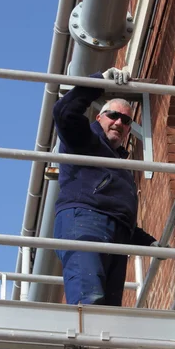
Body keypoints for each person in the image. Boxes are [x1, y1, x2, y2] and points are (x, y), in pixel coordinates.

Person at [53, 67, 157, 306]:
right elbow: (63, 112)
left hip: (117, 234)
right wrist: (99, 81)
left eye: (126, 120)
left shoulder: (120, 164)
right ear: (99, 117)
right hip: (85, 220)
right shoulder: (83, 140)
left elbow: (117, 210)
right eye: (113, 115)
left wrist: (148, 242)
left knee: (109, 312)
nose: (119, 122)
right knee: (89, 299)